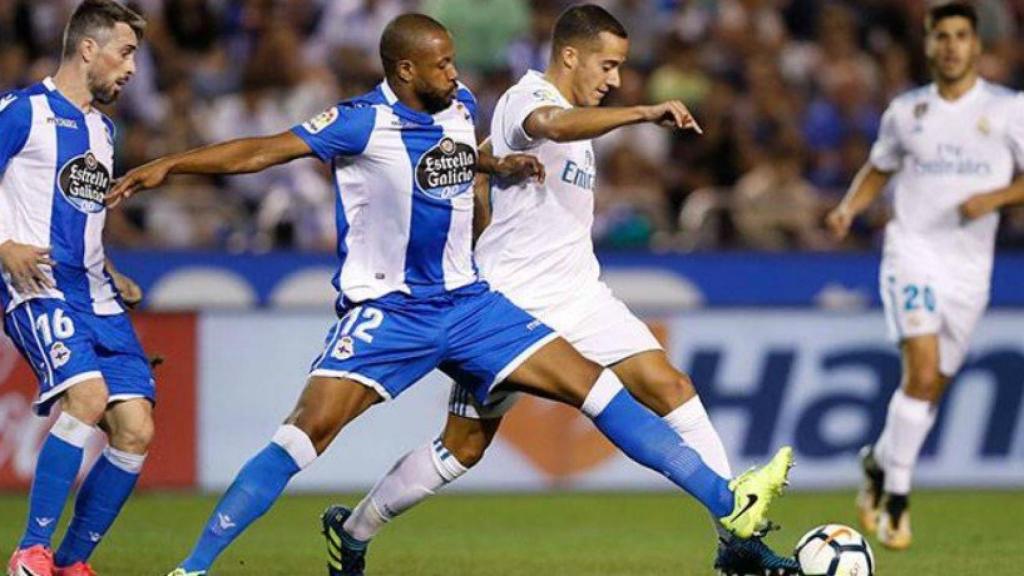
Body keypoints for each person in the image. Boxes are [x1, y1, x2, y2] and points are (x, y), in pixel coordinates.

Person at [109, 13, 794, 576]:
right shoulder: (360, 123)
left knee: (596, 392)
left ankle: (729, 504)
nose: (457, 75)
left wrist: (499, 163)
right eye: (441, 65)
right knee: (304, 434)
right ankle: (193, 569)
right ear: (405, 70)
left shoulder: (461, 106)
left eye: (454, 62)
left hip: (469, 305)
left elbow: (458, 155)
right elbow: (263, 150)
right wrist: (170, 164)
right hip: (390, 311)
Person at [321, 5, 800, 576]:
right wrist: (642, 113)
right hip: (511, 300)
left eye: (621, 69)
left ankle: (735, 535)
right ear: (570, 55)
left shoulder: (582, 111)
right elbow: (549, 125)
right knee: (462, 448)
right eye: (609, 65)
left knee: (669, 385)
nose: (615, 79)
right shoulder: (527, 98)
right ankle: (353, 531)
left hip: (581, 292)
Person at [826, 1, 1024, 551]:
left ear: (977, 45)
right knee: (922, 368)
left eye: (963, 36)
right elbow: (879, 167)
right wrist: (849, 208)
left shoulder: (1011, 110)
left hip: (970, 269)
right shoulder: (906, 112)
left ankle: (876, 462)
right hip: (912, 252)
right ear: (929, 43)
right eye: (943, 36)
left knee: (932, 386)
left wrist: (999, 196)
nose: (953, 46)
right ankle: (897, 500)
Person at [1, 2, 156, 576]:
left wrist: (110, 271)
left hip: (97, 294)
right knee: (86, 399)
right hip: (36, 284)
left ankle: (69, 564)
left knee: (136, 428)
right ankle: (29, 553)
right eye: (126, 51)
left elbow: (79, 214)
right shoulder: (23, 111)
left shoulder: (103, 130)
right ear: (88, 49)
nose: (133, 68)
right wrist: (2, 247)